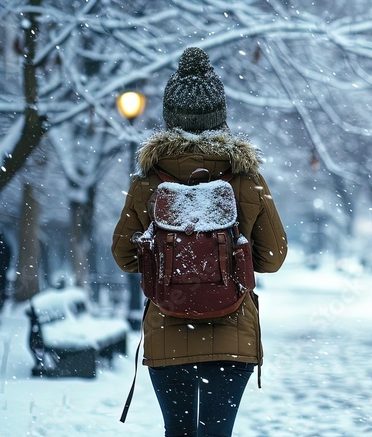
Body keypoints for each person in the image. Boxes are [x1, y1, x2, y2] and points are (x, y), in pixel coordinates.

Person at [111, 46, 287, 436]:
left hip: (167, 331)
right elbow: (273, 257)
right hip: (233, 332)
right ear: (220, 118)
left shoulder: (147, 183)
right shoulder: (247, 179)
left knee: (178, 431)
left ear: (169, 119)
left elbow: (123, 256)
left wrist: (167, 259)